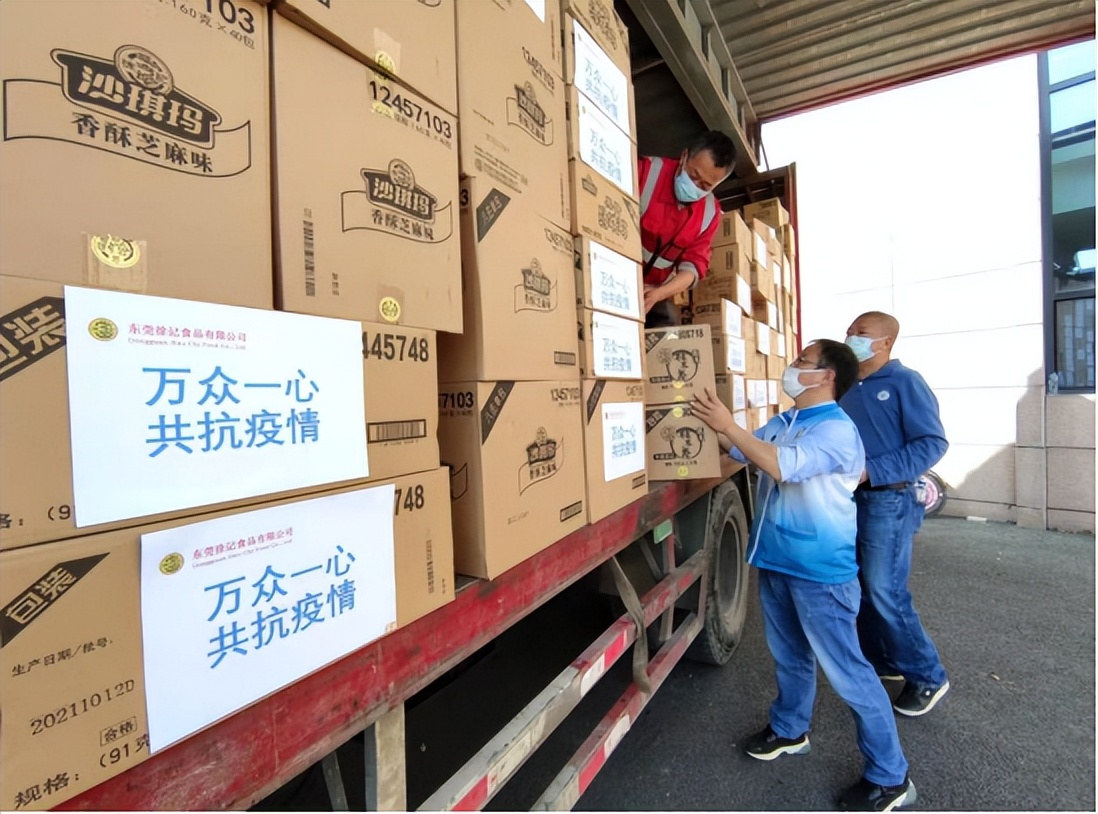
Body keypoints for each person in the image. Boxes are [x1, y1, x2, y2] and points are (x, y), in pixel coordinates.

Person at [693, 340, 917, 812]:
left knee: (851, 674)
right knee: (790, 656)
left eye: (803, 363)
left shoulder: (837, 431)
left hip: (820, 574)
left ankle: (891, 777)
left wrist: (727, 424)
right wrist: (698, 420)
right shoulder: (789, 421)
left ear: (827, 376)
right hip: (776, 561)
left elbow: (780, 465)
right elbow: (740, 449)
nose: (792, 368)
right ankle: (790, 729)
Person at [840, 311, 950, 717]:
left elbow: (932, 442)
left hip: (889, 498)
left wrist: (876, 470)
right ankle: (883, 662)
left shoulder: (905, 382)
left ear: (885, 343)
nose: (851, 337)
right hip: (850, 501)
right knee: (862, 587)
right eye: (850, 331)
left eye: (861, 334)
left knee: (886, 590)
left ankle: (928, 676)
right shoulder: (846, 385)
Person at [638, 130, 736, 328]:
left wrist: (659, 293)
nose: (695, 186)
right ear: (684, 157)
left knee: (669, 339)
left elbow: (693, 267)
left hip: (653, 290)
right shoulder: (646, 172)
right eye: (694, 175)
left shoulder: (710, 213)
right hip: (615, 270)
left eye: (706, 185)